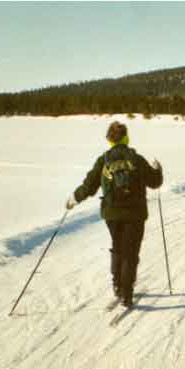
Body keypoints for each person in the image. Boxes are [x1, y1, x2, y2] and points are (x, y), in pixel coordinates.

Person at [65, 121, 163, 308]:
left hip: (111, 214)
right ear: (126, 138)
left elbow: (89, 186)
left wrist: (74, 198)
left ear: (109, 140)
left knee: (118, 247)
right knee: (131, 252)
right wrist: (158, 169)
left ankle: (117, 285)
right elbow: (155, 182)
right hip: (135, 214)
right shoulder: (137, 159)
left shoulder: (103, 160)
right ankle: (126, 293)